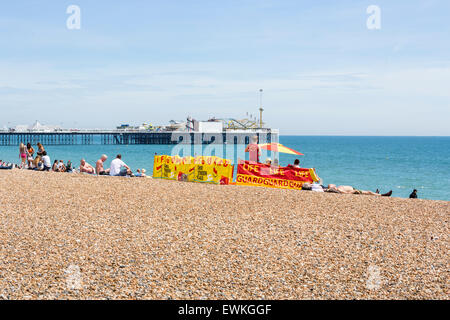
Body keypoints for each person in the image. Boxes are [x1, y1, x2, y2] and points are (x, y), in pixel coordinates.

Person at [326, 184, 392, 197]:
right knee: (368, 192)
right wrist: (354, 191)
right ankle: (383, 195)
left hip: (354, 189)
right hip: (355, 191)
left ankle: (375, 194)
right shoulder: (339, 189)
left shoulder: (338, 187)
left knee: (367, 192)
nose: (333, 185)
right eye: (332, 185)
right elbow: (346, 194)